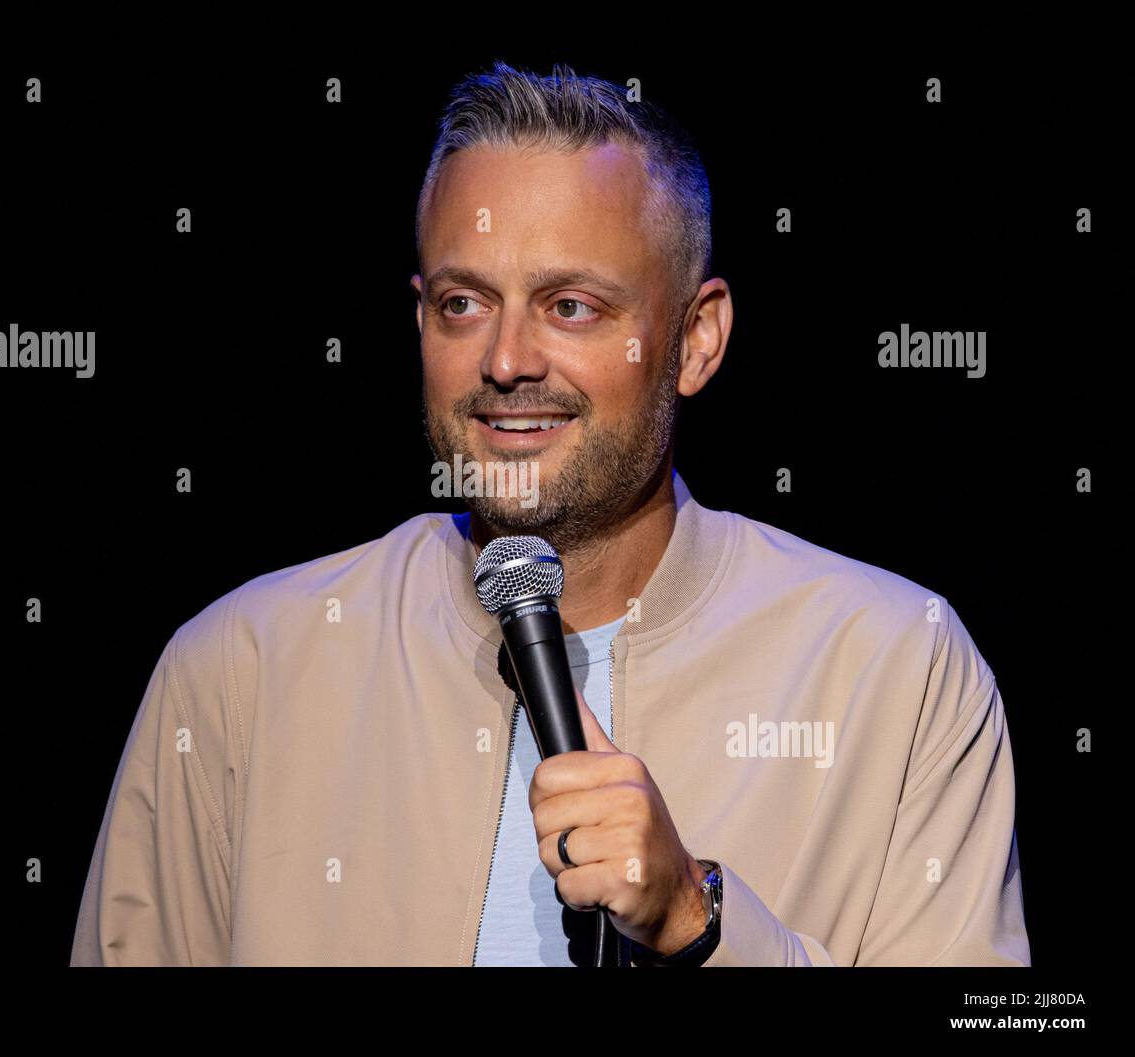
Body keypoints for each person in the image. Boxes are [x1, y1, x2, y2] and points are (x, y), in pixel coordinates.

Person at [70, 61, 1029, 966]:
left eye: (570, 306)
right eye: (462, 304)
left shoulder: (897, 671)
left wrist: (699, 923)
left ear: (696, 342)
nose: (505, 360)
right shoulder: (241, 669)